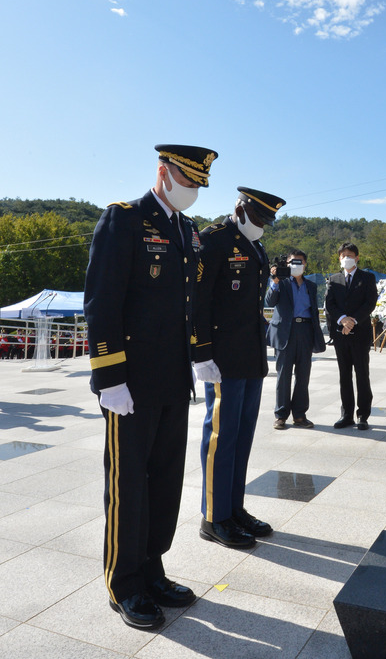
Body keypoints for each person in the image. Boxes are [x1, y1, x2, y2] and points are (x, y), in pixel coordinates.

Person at [84, 142, 218, 630]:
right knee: (128, 486)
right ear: (163, 173)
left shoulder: (185, 229)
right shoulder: (124, 220)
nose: (193, 193)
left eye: (199, 186)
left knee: (164, 482)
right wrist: (109, 377)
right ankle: (123, 584)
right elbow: (101, 304)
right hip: (130, 383)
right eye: (187, 182)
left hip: (171, 380)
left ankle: (152, 568)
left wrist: (198, 359)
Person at [195, 187, 286, 549]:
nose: (262, 226)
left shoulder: (255, 246)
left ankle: (233, 508)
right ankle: (214, 518)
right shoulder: (213, 240)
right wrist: (200, 353)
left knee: (242, 436)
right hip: (221, 358)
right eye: (258, 218)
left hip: (249, 356)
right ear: (240, 209)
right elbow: (197, 301)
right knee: (220, 438)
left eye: (267, 221)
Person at [266, 249, 326, 429]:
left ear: (305, 265)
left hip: (305, 330)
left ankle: (299, 415)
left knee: (303, 375)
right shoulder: (281, 282)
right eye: (293, 262)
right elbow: (270, 301)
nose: (296, 265)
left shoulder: (311, 286)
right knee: (283, 375)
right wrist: (275, 281)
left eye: (300, 262)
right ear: (287, 264)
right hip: (285, 331)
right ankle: (281, 414)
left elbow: (314, 311)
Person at [325, 242, 378, 430]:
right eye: (342, 255)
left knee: (362, 374)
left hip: (360, 334)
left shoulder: (367, 278)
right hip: (341, 335)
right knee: (344, 375)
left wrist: (353, 320)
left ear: (357, 257)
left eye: (350, 255)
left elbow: (370, 303)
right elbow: (329, 304)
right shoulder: (334, 279)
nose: (346, 258)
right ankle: (346, 414)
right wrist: (342, 320)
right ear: (339, 258)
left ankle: (363, 415)